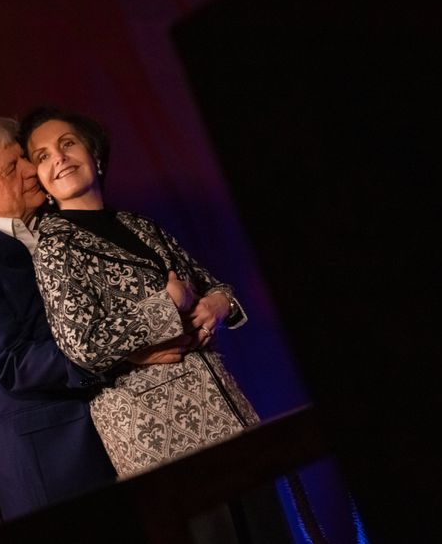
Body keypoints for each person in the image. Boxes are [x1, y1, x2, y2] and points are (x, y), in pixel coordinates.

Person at [17, 106, 261, 478]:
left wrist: (220, 302)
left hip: (225, 407)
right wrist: (167, 305)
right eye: (43, 156)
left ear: (94, 154)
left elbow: (211, 283)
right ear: (43, 182)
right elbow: (82, 345)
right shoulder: (55, 247)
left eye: (68, 144)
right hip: (156, 432)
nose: (59, 158)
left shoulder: (138, 223)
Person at [0, 113, 129, 522]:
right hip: (52, 462)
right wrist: (126, 350)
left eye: (23, 157)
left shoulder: (55, 222)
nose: (33, 170)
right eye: (12, 167)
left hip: (117, 433)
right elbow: (12, 363)